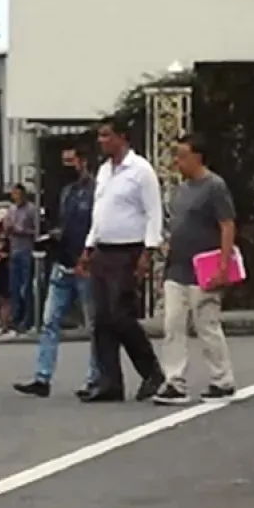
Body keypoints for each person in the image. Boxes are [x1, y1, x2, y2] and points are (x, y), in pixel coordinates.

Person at [77, 118, 166, 403]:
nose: (101, 141)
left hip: (128, 250)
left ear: (122, 137)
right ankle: (109, 382)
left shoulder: (140, 170)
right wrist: (89, 247)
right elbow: (100, 212)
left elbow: (153, 213)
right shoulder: (104, 171)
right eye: (100, 136)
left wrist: (148, 252)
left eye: (107, 135)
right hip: (103, 249)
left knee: (121, 314)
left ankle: (152, 372)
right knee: (102, 319)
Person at [153, 133, 238, 405]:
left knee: (206, 324)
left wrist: (223, 265)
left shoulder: (215, 186)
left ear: (198, 157)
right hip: (177, 265)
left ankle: (222, 379)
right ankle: (174, 380)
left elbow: (227, 225)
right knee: (173, 324)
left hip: (204, 267)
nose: (177, 162)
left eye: (182, 156)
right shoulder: (180, 190)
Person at [15, 144, 99, 397]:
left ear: (83, 162)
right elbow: (64, 223)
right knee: (49, 321)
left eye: (71, 161)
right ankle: (43, 377)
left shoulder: (96, 191)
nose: (67, 167)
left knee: (94, 325)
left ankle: (95, 378)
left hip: (86, 264)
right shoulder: (66, 192)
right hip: (62, 263)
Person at [4, 183, 39, 332]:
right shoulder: (11, 210)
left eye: (18, 194)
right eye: (14, 194)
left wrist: (22, 230)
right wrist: (7, 228)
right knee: (15, 287)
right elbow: (6, 228)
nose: (16, 197)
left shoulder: (32, 210)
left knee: (26, 287)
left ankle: (28, 318)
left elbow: (37, 232)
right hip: (14, 251)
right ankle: (16, 318)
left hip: (26, 251)